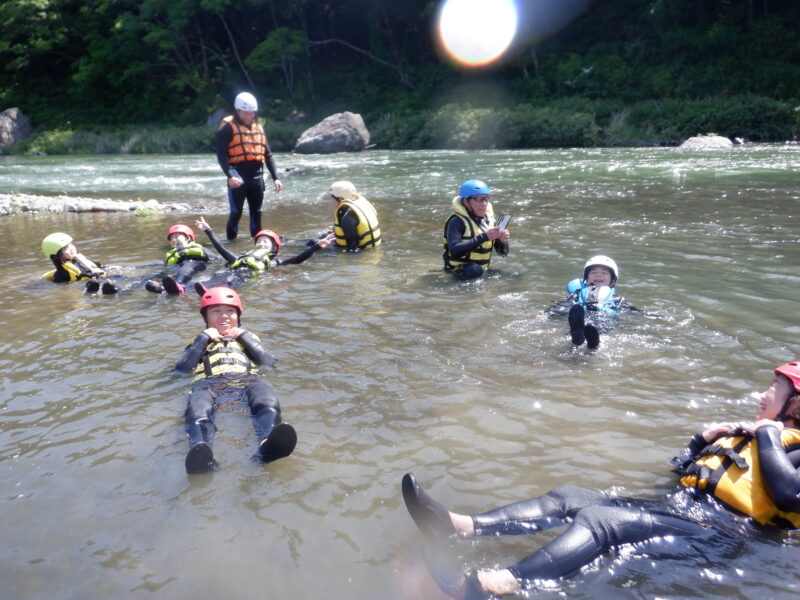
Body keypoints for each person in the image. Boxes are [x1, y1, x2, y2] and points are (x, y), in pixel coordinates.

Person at [401, 361, 800, 598]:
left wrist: (765, 433)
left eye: (774, 390)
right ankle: (461, 525)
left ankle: (494, 586)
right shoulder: (753, 434)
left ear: (796, 407)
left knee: (600, 522)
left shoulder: (785, 444)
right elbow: (679, 475)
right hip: (683, 511)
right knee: (570, 496)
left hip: (722, 535)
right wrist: (701, 441)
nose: (763, 394)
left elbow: (786, 493)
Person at [174, 286, 297, 474]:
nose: (224, 316)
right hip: (209, 384)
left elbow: (269, 362)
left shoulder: (248, 339)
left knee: (264, 394)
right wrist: (203, 338)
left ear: (238, 316)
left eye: (230, 311)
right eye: (216, 311)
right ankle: (200, 448)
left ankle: (267, 441)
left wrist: (242, 335)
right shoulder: (197, 342)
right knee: (198, 406)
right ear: (205, 318)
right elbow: (182, 370)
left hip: (246, 380)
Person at [215, 91, 282, 241]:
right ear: (237, 111)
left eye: (251, 113)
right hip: (237, 174)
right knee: (236, 212)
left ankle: (257, 245)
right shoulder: (226, 129)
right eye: (245, 113)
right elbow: (221, 155)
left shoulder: (259, 128)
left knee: (256, 212)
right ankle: (231, 245)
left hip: (256, 176)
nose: (249, 116)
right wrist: (230, 176)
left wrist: (276, 178)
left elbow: (268, 155)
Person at [194, 216, 334, 287]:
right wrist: (208, 230)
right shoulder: (241, 257)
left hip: (244, 278)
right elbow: (221, 249)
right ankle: (182, 288)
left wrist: (316, 246)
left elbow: (298, 259)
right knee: (205, 279)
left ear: (274, 248)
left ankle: (213, 290)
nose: (260, 243)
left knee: (230, 280)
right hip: (230, 273)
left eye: (265, 242)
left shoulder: (274, 262)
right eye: (259, 241)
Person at [545, 255, 639, 350]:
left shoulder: (616, 299)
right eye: (594, 273)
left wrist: (647, 315)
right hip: (582, 315)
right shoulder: (578, 294)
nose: (598, 275)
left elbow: (631, 310)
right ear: (586, 278)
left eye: (604, 273)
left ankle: (592, 343)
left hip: (604, 318)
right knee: (576, 316)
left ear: (612, 280)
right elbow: (565, 304)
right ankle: (577, 337)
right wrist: (551, 312)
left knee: (600, 328)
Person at [442, 180, 509, 280]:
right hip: (459, 271)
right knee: (473, 270)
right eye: (479, 199)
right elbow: (455, 251)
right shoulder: (456, 221)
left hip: (480, 270)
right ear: (466, 202)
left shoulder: (489, 220)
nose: (484, 204)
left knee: (509, 276)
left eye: (486, 199)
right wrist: (485, 237)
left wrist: (502, 242)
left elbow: (502, 253)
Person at [41, 232, 119, 294]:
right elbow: (61, 287)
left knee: (116, 279)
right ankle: (90, 293)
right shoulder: (61, 273)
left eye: (70, 245)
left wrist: (107, 267)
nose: (71, 249)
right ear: (56, 257)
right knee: (92, 284)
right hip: (85, 284)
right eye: (65, 249)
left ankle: (111, 290)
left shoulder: (81, 258)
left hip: (98, 278)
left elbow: (95, 266)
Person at [145, 224, 210, 296]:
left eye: (176, 236)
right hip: (177, 269)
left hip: (196, 264)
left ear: (187, 237)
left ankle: (179, 285)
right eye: (171, 238)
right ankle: (161, 288)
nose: (173, 239)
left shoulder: (197, 247)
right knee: (152, 278)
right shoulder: (171, 253)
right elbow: (163, 265)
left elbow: (213, 257)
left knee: (186, 268)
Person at [327, 180, 381, 251]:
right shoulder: (360, 203)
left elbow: (352, 247)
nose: (332, 201)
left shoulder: (347, 216)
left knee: (311, 244)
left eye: (333, 198)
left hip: (360, 249)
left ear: (341, 198)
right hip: (373, 245)